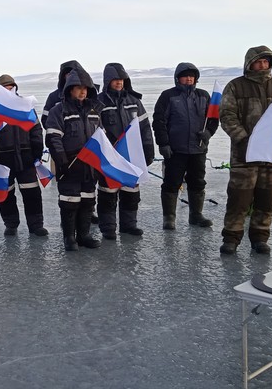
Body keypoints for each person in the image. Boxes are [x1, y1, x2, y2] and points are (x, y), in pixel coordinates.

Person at [219, 46, 272, 255]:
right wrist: (244, 139)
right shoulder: (236, 87)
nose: (263, 65)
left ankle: (260, 237)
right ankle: (231, 238)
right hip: (244, 155)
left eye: (266, 62)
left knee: (266, 198)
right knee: (239, 199)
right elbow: (227, 116)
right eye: (259, 61)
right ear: (249, 63)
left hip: (271, 156)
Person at [153, 62, 218, 230]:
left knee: (197, 182)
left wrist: (208, 133)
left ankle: (196, 215)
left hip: (198, 149)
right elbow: (159, 121)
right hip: (175, 150)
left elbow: (213, 119)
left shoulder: (203, 96)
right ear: (178, 78)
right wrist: (163, 143)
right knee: (171, 183)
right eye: (185, 75)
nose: (189, 78)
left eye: (192, 76)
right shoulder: (168, 96)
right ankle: (169, 217)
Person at [45, 69, 103, 251]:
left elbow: (101, 137)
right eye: (78, 88)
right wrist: (61, 161)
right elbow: (53, 137)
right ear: (70, 89)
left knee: (87, 200)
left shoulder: (94, 111)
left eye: (85, 88)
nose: (83, 92)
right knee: (69, 202)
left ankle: (84, 235)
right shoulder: (59, 110)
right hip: (69, 164)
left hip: (90, 165)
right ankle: (69, 238)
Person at [96, 63, 155, 238]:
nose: (119, 82)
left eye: (122, 79)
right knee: (108, 194)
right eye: (115, 80)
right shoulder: (99, 102)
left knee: (131, 192)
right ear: (107, 81)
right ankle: (108, 228)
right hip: (110, 156)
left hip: (131, 156)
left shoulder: (134, 101)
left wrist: (148, 150)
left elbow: (145, 127)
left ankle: (129, 225)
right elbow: (95, 128)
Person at [0, 74, 48, 237]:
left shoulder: (25, 106)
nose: (9, 90)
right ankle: (11, 224)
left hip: (26, 157)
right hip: (2, 159)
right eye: (5, 88)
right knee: (6, 194)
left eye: (11, 87)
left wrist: (36, 152)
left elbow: (36, 130)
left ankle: (36, 225)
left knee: (32, 192)